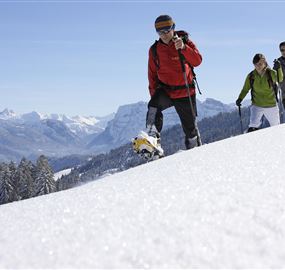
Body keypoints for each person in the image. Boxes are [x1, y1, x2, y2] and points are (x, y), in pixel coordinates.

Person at [146, 14, 202, 151]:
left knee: (190, 130)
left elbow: (197, 61)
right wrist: (154, 95)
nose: (164, 35)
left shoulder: (184, 41)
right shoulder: (154, 50)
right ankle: (152, 139)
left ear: (173, 28)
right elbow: (152, 74)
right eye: (160, 32)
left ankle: (194, 150)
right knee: (153, 106)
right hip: (166, 90)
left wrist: (184, 48)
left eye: (167, 30)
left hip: (185, 91)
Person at [236, 53, 283, 132]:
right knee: (253, 127)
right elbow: (245, 89)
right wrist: (240, 99)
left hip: (271, 105)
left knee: (276, 128)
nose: (258, 66)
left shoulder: (271, 73)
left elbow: (280, 79)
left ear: (265, 63)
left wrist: (279, 68)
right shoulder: (251, 76)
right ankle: (253, 143)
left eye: (260, 64)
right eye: (256, 64)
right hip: (257, 105)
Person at [273, 41, 285, 109]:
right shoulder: (278, 62)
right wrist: (275, 94)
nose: (284, 52)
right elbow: (273, 79)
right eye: (282, 50)